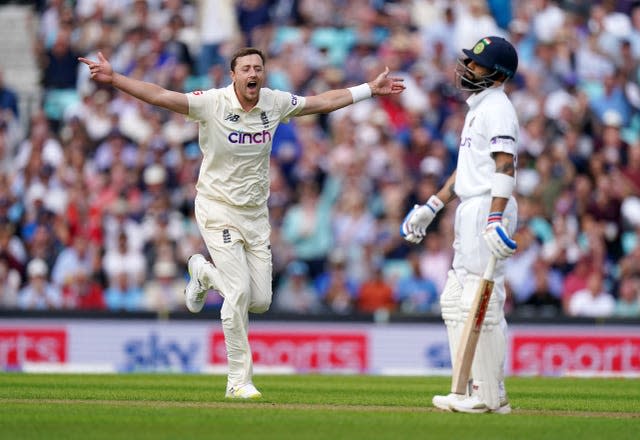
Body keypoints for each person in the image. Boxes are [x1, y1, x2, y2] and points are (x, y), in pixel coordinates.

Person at [79, 47, 405, 399]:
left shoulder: (274, 102)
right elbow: (160, 96)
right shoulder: (212, 102)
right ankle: (238, 380)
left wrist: (369, 89)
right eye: (246, 68)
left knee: (261, 299)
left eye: (258, 68)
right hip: (216, 207)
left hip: (254, 214)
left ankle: (202, 272)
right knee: (237, 293)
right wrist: (115, 80)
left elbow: (321, 102)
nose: (253, 73)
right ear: (232, 74)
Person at [401, 36, 519, 414]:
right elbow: (468, 169)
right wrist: (432, 206)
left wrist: (496, 216)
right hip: (472, 205)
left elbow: (505, 165)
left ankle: (488, 393)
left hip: (488, 204)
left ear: (497, 74)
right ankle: (470, 386)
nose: (467, 68)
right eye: (468, 61)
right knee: (456, 302)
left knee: (481, 299)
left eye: (476, 64)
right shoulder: (478, 108)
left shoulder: (497, 107)